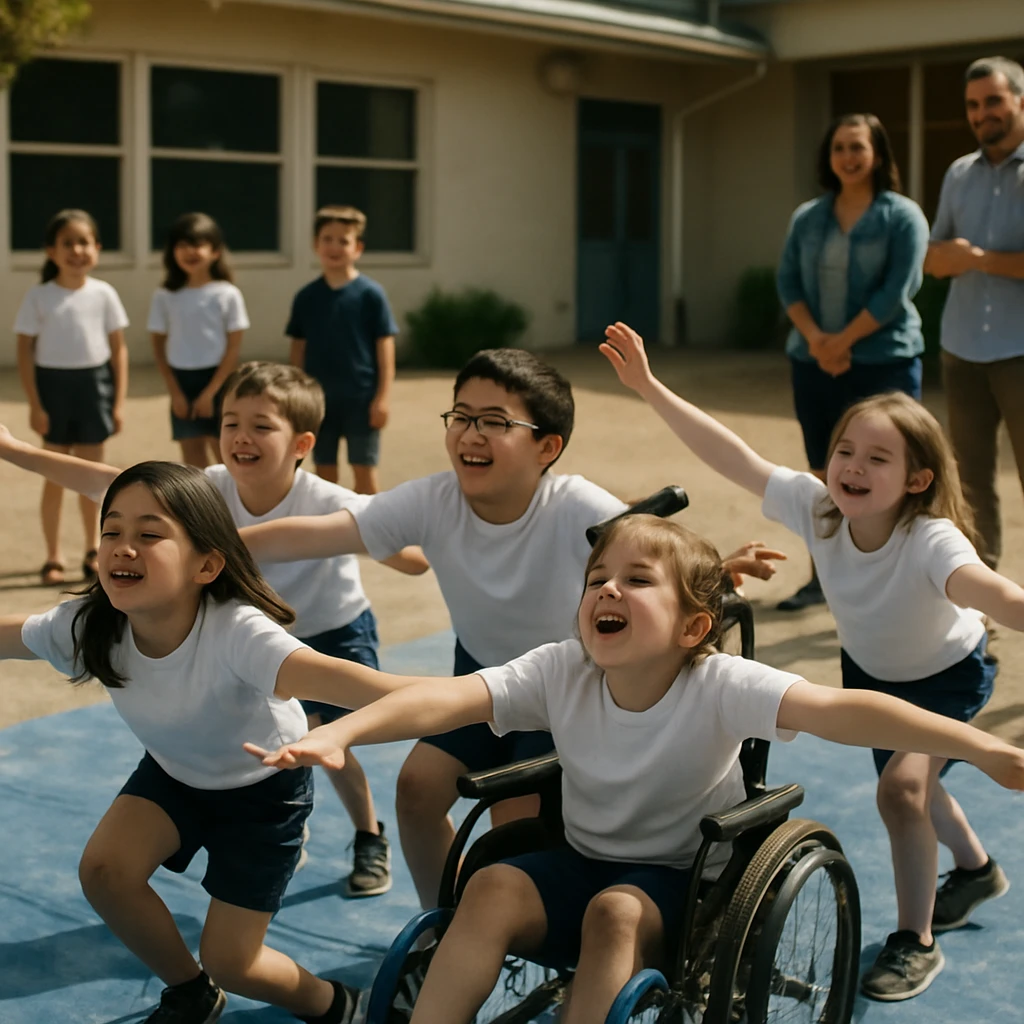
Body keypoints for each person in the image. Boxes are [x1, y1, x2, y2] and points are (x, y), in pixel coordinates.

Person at [246, 515, 1024, 1024]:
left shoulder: (721, 685)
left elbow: (848, 711)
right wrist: (342, 732)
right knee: (489, 885)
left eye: (636, 579)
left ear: (693, 626)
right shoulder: (562, 669)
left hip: (681, 884)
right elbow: (446, 700)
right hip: (581, 860)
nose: (607, 588)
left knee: (615, 913)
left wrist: (984, 747)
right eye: (596, 579)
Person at [239, 348, 780, 917]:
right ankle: (441, 923)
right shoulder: (433, 500)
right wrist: (215, 543)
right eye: (462, 416)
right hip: (482, 682)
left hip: (563, 694)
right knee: (417, 787)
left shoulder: (575, 506)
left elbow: (658, 554)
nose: (471, 434)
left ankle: (525, 925)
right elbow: (319, 533)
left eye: (496, 422)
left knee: (513, 825)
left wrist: (718, 568)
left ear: (547, 447)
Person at [600, 321, 1024, 1000]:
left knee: (902, 790)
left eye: (878, 459)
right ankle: (975, 870)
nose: (853, 466)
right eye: (846, 450)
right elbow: (730, 455)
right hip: (873, 675)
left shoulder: (931, 539)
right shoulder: (821, 508)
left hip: (948, 673)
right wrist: (649, 387)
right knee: (917, 783)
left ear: (918, 478)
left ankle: (914, 941)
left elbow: (993, 593)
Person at [0, 461, 436, 1023]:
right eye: (111, 531)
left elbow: (369, 688)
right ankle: (192, 991)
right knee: (105, 871)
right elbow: (11, 633)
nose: (122, 548)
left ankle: (338, 1006)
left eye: (149, 534)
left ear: (206, 563)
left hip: (263, 792)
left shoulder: (239, 632)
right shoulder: (93, 623)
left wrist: (491, 699)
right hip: (174, 774)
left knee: (233, 960)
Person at [0, 361, 430, 898]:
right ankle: (284, 824)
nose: (240, 437)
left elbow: (413, 559)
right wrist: (12, 450)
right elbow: (108, 482)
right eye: (230, 423)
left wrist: (373, 539)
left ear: (301, 443)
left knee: (321, 728)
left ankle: (369, 833)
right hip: (247, 632)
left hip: (330, 630)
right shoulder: (208, 489)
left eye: (260, 425)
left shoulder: (327, 499)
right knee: (260, 731)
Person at [775, 113, 929, 610]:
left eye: (858, 147)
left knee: (893, 474)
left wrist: (844, 341)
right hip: (812, 361)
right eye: (840, 147)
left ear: (879, 154)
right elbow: (789, 283)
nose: (848, 156)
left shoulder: (902, 216)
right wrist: (820, 340)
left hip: (884, 363)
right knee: (825, 472)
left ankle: (897, 580)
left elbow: (897, 291)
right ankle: (825, 580)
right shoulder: (808, 217)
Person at [924, 56, 1024, 571]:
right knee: (971, 483)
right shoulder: (959, 173)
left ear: (1019, 101)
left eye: (992, 101)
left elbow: (967, 258)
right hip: (961, 348)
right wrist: (940, 258)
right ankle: (985, 605)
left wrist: (979, 259)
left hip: (1019, 351)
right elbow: (936, 254)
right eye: (972, 105)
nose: (982, 113)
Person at [14, 208, 129, 586]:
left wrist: (118, 400)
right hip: (54, 390)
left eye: (84, 242)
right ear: (51, 251)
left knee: (92, 479)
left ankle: (94, 551)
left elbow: (118, 349)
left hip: (93, 389)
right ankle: (53, 555)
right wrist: (35, 402)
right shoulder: (40, 296)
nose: (77, 250)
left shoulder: (104, 293)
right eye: (68, 243)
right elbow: (25, 351)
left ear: (96, 248)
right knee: (55, 476)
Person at [288, 205, 397, 494]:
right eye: (327, 239)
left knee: (364, 469)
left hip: (361, 399)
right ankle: (331, 534)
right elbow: (298, 348)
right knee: (324, 473)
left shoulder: (371, 295)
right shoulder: (306, 297)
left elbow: (385, 349)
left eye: (343, 240)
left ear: (357, 247)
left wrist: (382, 398)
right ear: (316, 245)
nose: (334, 246)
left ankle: (373, 532)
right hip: (319, 401)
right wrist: (295, 396)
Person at [150, 212, 249, 469]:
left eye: (198, 244)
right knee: (192, 460)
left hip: (218, 380)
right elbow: (159, 345)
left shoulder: (227, 294)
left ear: (215, 251)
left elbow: (233, 347)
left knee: (226, 455)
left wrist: (211, 392)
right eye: (182, 245)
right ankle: (200, 509)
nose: (190, 252)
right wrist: (175, 392)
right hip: (181, 381)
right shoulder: (165, 295)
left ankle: (230, 509)